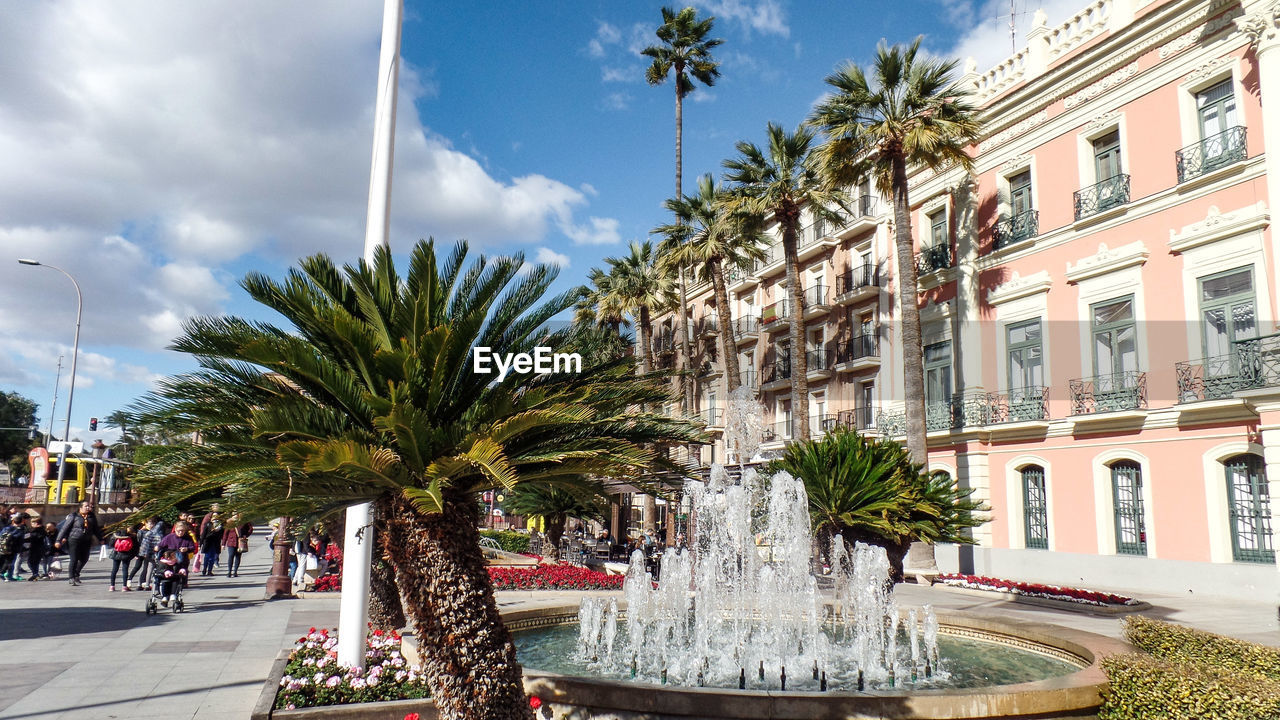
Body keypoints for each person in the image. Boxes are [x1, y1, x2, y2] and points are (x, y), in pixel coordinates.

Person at [55, 501, 104, 586]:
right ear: (80, 507)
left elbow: (95, 529)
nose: (88, 508)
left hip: (86, 540)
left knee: (84, 558)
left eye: (89, 506)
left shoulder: (91, 516)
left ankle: (76, 573)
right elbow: (64, 529)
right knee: (74, 559)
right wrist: (58, 540)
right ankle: (71, 577)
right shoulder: (73, 516)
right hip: (74, 539)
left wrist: (101, 539)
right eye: (86, 506)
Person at [128, 516, 163, 591]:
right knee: (145, 568)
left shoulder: (154, 532)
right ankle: (143, 584)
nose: (150, 526)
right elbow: (142, 544)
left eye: (152, 524)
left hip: (151, 553)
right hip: (147, 553)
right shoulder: (146, 532)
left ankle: (143, 584)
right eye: (149, 524)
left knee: (148, 568)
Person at [107, 524, 140, 592]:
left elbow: (111, 544)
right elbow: (135, 546)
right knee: (125, 570)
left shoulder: (116, 534)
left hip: (116, 553)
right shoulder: (132, 535)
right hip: (127, 554)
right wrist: (135, 554)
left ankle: (112, 586)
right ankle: (124, 586)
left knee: (114, 569)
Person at [0, 513, 27, 581]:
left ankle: (3, 573)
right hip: (13, 549)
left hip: (2, 547)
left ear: (13, 521)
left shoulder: (6, 528)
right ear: (21, 522)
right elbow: (20, 540)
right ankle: (7, 575)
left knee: (4, 561)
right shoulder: (20, 530)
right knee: (10, 563)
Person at [198, 512, 224, 576]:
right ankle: (204, 569)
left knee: (212, 558)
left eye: (217, 516)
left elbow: (222, 535)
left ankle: (210, 571)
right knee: (207, 557)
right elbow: (203, 534)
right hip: (208, 542)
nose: (215, 517)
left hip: (215, 543)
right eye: (214, 516)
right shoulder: (208, 524)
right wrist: (200, 544)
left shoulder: (221, 525)